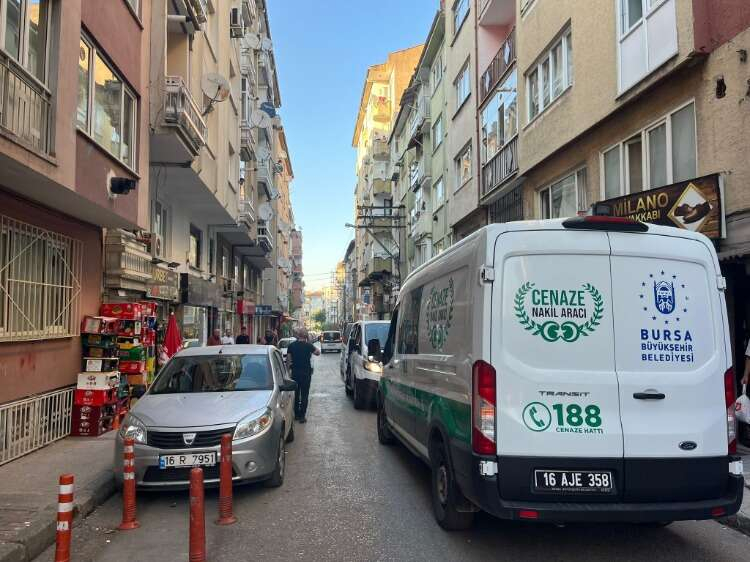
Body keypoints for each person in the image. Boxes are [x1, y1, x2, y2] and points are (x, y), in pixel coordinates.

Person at [286, 329, 320, 423]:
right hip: (306, 374)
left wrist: (287, 372)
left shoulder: (291, 346)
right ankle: (302, 416)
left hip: (295, 373)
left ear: (298, 336)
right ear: (306, 336)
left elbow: (288, 360)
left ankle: (296, 415)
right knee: (305, 395)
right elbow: (318, 352)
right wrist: (309, 344)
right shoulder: (308, 345)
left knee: (296, 394)